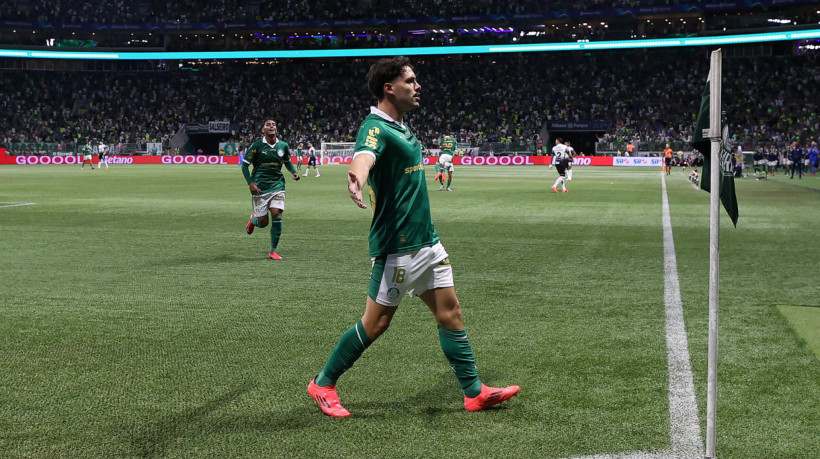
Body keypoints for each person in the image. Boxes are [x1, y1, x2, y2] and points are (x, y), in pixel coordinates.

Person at [307, 56, 519, 418]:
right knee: (375, 323)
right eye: (410, 80)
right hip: (397, 246)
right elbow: (363, 156)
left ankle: (474, 392)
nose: (417, 86)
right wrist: (356, 177)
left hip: (427, 241)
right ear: (389, 88)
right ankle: (323, 383)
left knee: (450, 313)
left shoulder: (403, 128)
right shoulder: (375, 126)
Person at [241, 119, 301, 260]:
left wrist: (293, 172)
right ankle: (253, 220)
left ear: (276, 129)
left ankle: (273, 250)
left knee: (277, 215)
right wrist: (250, 183)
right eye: (268, 125)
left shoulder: (283, 146)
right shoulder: (256, 146)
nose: (271, 126)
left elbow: (287, 162)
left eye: (274, 124)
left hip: (277, 186)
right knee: (263, 222)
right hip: (260, 188)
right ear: (263, 130)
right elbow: (244, 166)